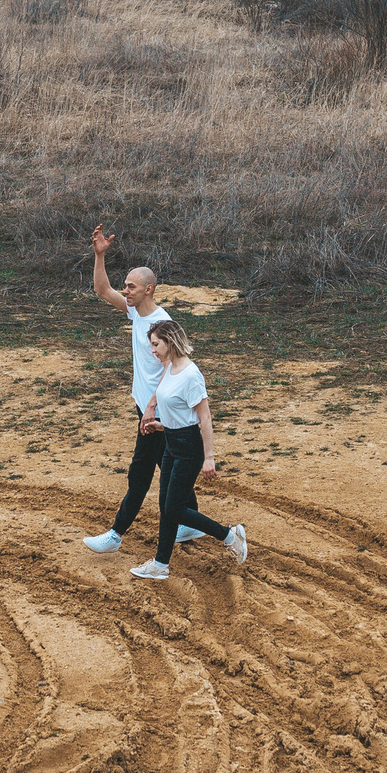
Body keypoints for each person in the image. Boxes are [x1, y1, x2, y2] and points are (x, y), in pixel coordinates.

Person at [80, 224, 206, 554]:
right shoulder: (136, 312)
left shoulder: (162, 325)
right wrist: (99, 256)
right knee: (170, 467)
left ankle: (116, 534)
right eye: (127, 287)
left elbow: (173, 370)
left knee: (141, 471)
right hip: (149, 406)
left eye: (132, 287)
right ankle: (190, 524)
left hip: (159, 409)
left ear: (149, 289)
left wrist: (150, 407)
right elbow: (102, 290)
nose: (127, 291)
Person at [128, 318, 248, 581]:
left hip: (190, 449)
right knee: (166, 505)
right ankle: (160, 564)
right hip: (171, 442)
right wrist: (162, 426)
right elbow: (177, 410)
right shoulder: (169, 367)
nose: (153, 351)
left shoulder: (191, 375)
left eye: (156, 344)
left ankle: (230, 535)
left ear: (170, 342)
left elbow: (204, 418)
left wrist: (209, 458)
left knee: (174, 509)